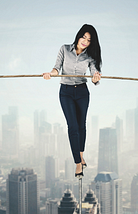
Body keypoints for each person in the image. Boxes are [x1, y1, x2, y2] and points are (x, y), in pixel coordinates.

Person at [43, 24, 102, 178]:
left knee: (81, 125)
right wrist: (51, 73)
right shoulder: (64, 49)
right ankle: (78, 163)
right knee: (73, 126)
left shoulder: (89, 56)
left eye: (89, 40)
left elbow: (94, 70)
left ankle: (81, 155)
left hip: (82, 91)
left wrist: (96, 76)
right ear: (79, 35)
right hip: (66, 92)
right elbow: (56, 68)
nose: (85, 41)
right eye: (84, 37)